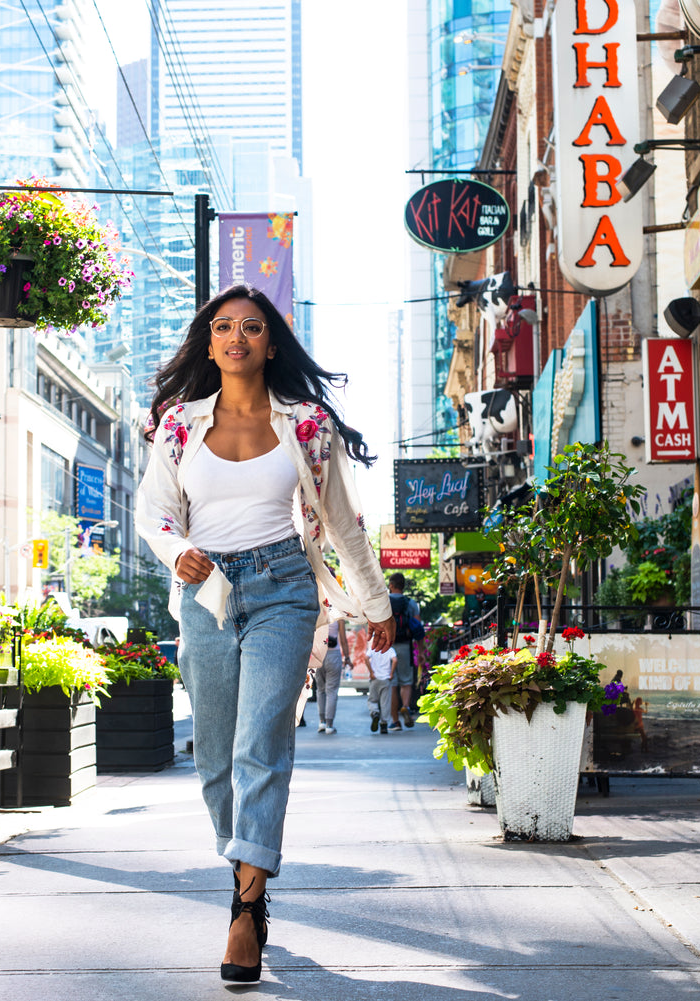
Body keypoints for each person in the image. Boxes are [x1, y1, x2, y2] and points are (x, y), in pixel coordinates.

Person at [136, 284, 394, 983]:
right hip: (206, 593)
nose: (237, 337)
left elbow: (344, 523)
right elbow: (152, 513)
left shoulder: (307, 425)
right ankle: (246, 864)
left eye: (252, 327)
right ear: (210, 341)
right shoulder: (178, 425)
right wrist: (175, 552)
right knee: (216, 759)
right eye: (224, 326)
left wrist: (376, 601)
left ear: (270, 343)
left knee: (259, 745)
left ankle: (245, 911)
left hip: (284, 588)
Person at [386, 572, 420, 730]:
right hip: (406, 645)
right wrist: (420, 652)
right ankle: (405, 706)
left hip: (388, 646)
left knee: (392, 683)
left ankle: (395, 721)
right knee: (406, 682)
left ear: (391, 585)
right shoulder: (411, 603)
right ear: (404, 586)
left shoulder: (384, 602)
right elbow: (418, 628)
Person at [365, 641, 397, 734]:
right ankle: (384, 725)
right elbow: (395, 660)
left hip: (375, 678)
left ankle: (375, 713)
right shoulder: (390, 649)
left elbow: (366, 658)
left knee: (372, 700)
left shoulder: (372, 649)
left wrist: (371, 672)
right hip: (386, 679)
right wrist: (391, 673)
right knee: (385, 702)